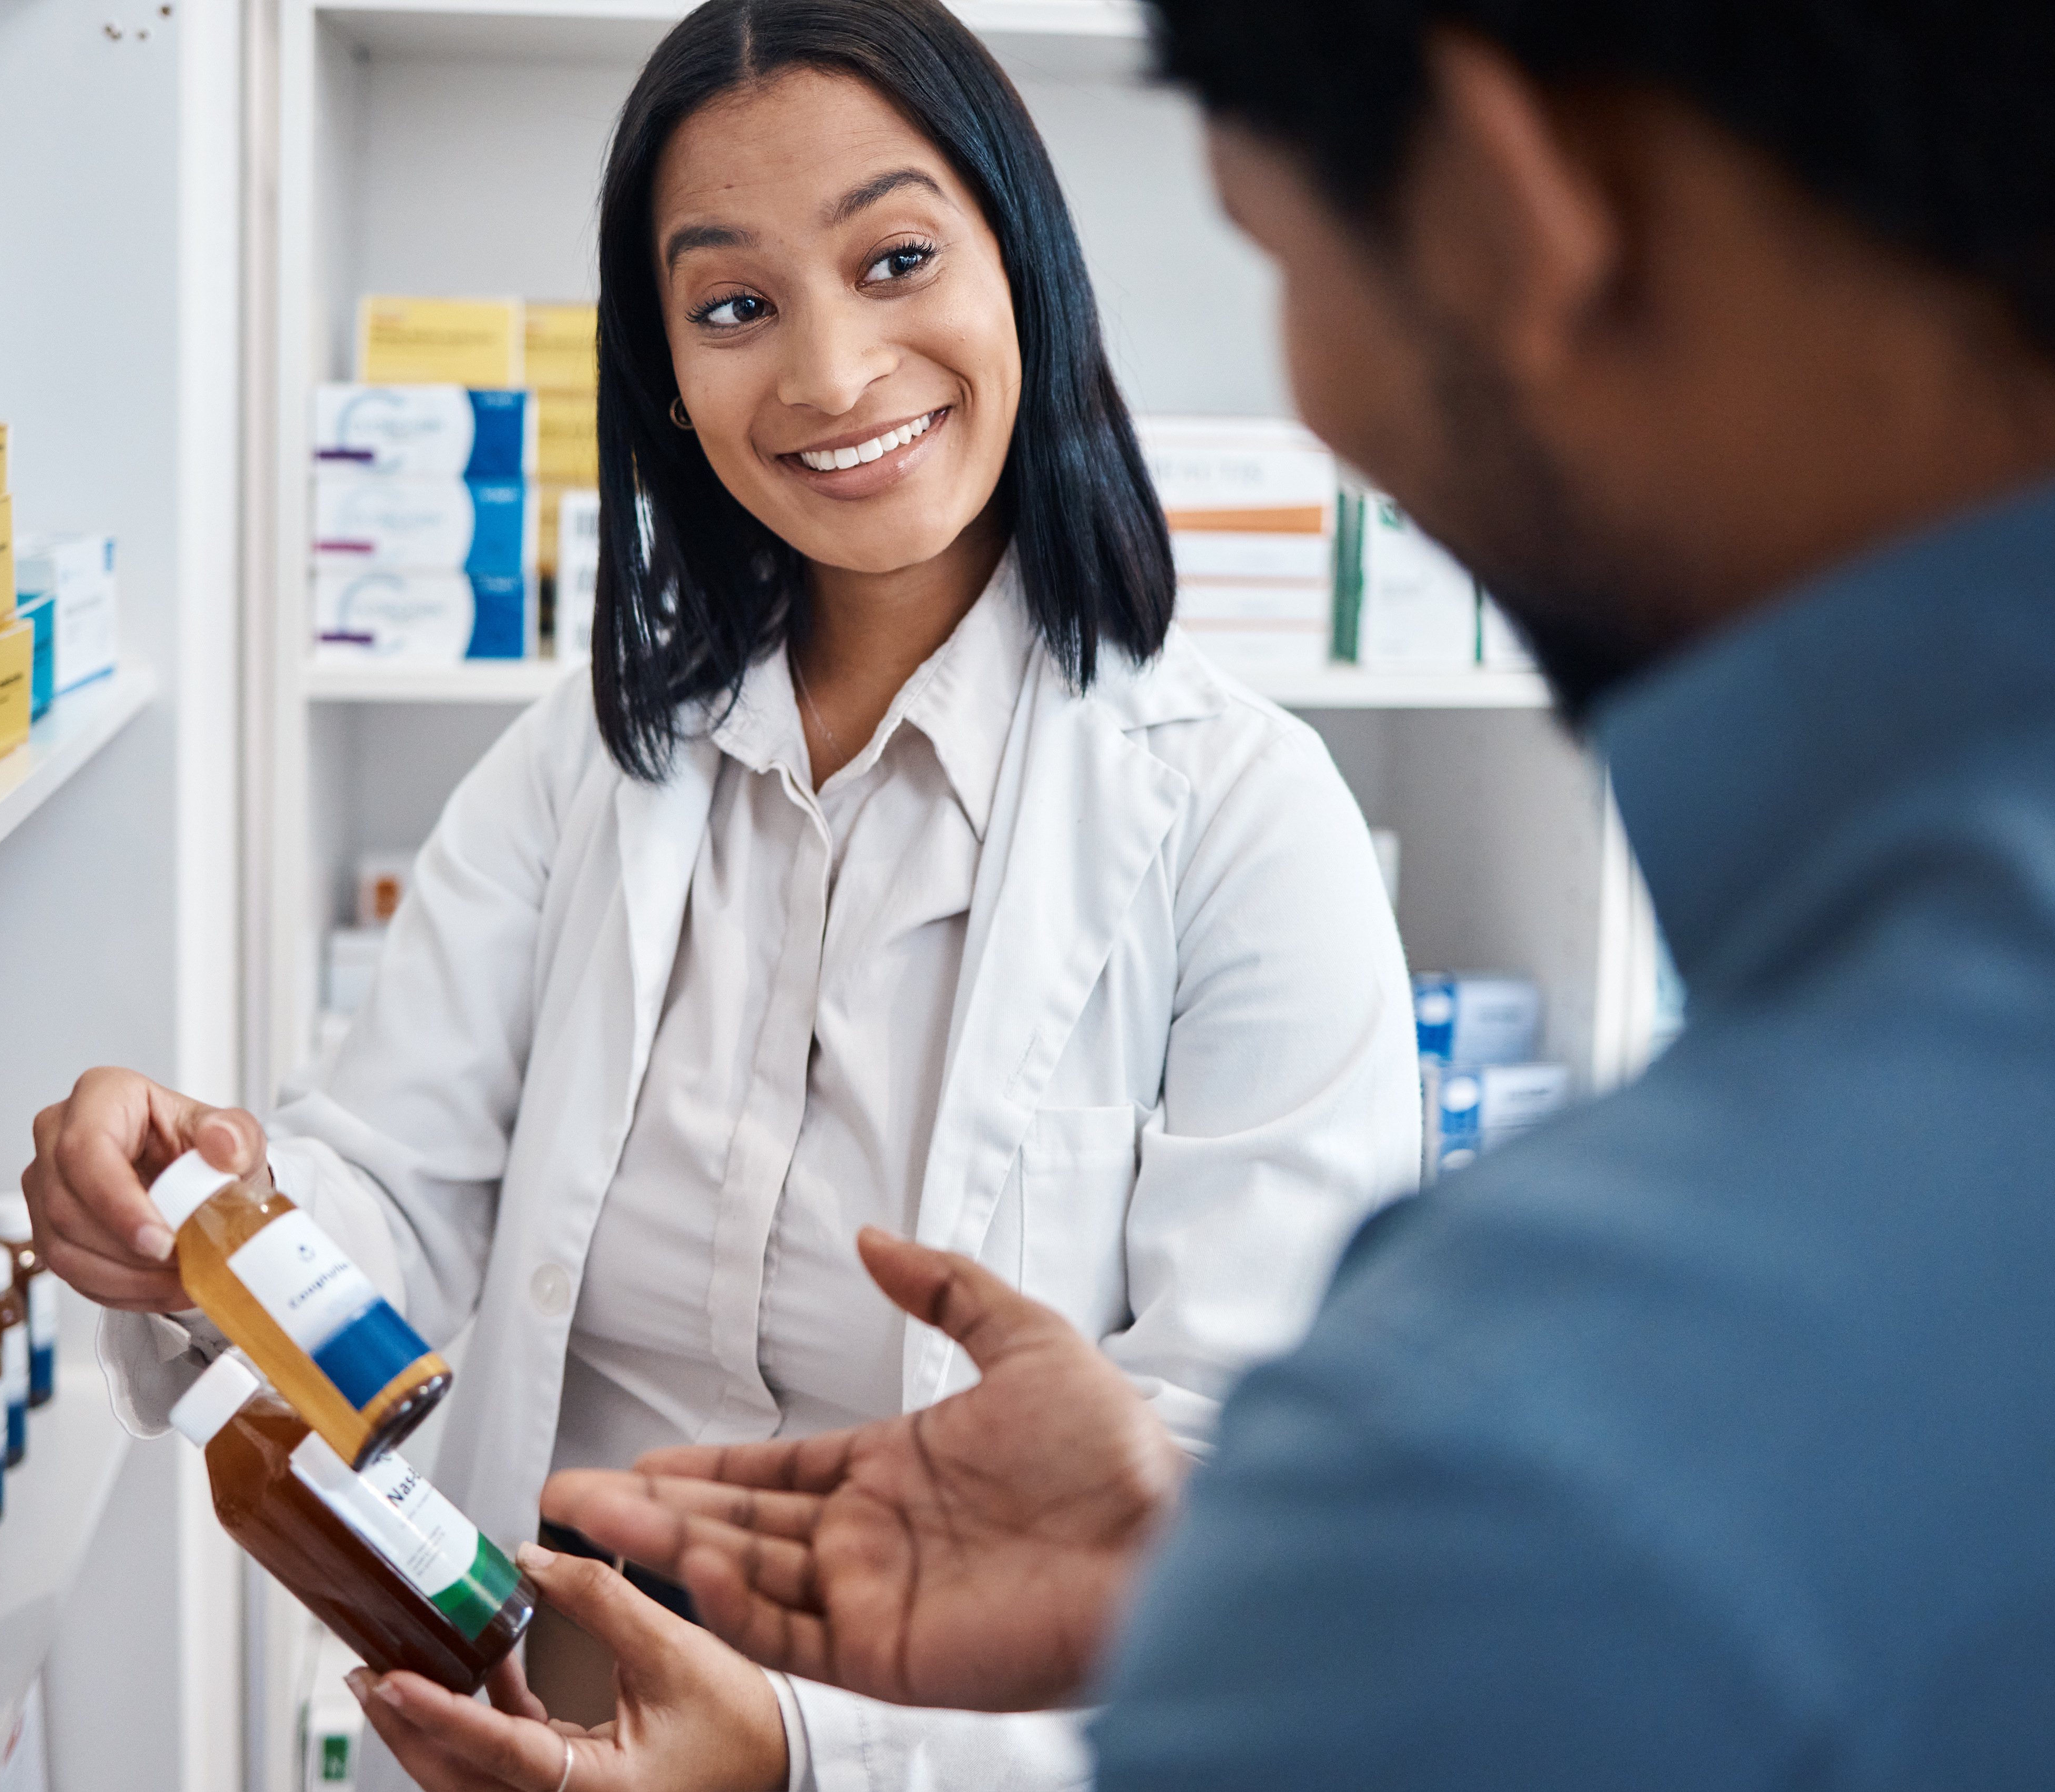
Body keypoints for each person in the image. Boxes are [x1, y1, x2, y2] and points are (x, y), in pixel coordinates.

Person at [517, 1, 2055, 1787]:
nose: (835, 371)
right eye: (733, 305)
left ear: (1503, 210)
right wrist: (1190, 1561)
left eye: (1270, 250)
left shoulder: (1526, 1464)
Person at [22, 0, 1421, 1786]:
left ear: (1025, 271)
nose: (832, 375)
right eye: (735, 305)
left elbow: (1257, 1510)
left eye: (897, 257)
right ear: (666, 372)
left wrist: (792, 1754)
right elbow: (398, 1182)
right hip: (542, 1719)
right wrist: (202, 1221)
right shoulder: (592, 756)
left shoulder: (1237, 813)